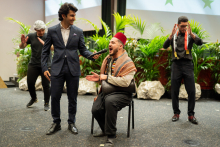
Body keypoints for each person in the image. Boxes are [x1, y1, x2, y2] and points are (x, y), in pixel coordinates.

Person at [41, 2, 100, 135]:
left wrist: (91, 55)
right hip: (57, 69)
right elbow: (45, 51)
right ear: (63, 16)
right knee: (55, 96)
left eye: (74, 15)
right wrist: (44, 67)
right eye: (71, 15)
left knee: (72, 98)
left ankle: (71, 122)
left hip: (73, 69)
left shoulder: (78, 31)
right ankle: (56, 122)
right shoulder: (52, 31)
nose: (74, 18)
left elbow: (83, 50)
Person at [86, 32, 137, 147]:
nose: (109, 44)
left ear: (120, 46)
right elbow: (104, 80)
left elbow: (125, 82)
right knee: (96, 109)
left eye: (113, 42)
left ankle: (111, 135)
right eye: (109, 42)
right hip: (108, 91)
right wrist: (100, 83)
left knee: (110, 102)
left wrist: (106, 77)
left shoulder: (128, 63)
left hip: (123, 93)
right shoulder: (107, 59)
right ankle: (105, 129)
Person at [163, 16, 203, 124]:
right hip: (176, 65)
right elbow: (164, 45)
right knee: (174, 91)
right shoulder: (174, 36)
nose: (184, 28)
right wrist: (170, 36)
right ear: (178, 25)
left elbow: (200, 42)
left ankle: (191, 115)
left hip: (187, 64)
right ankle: (176, 113)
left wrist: (192, 35)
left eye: (186, 26)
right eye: (182, 26)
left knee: (191, 91)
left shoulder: (190, 35)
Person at [19, 20, 53, 111]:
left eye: (43, 30)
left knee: (46, 85)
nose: (41, 32)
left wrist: (46, 45)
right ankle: (34, 98)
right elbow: (22, 46)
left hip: (46, 64)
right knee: (30, 83)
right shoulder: (30, 36)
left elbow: (54, 48)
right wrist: (22, 43)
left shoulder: (49, 36)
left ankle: (46, 103)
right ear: (35, 29)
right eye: (39, 30)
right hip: (33, 63)